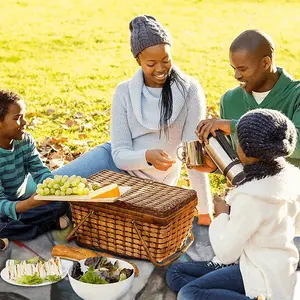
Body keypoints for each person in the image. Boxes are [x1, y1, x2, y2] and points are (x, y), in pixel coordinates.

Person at [51, 15, 213, 225]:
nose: (161, 68)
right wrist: (146, 156)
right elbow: (119, 155)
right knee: (49, 188)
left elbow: (193, 156)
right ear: (138, 60)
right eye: (151, 63)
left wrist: (204, 211)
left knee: (69, 206)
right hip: (113, 162)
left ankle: (57, 217)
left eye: (166, 59)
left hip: (148, 186)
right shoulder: (124, 92)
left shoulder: (190, 90)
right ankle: (12, 213)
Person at [166, 108, 300, 300]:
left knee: (189, 293)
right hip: (273, 267)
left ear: (244, 150)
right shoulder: (291, 178)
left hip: (260, 277)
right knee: (176, 273)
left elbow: (226, 252)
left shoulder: (251, 197)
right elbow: (293, 226)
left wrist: (222, 215)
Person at [195, 29, 300, 172]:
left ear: (266, 63)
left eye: (242, 69)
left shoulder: (296, 95)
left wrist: (235, 127)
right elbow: (238, 162)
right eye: (234, 68)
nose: (236, 75)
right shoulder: (230, 100)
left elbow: (296, 144)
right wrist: (215, 167)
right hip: (250, 190)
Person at [0, 90, 70, 241]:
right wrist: (28, 205)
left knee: (63, 203)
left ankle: (15, 231)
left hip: (21, 201)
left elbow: (40, 172)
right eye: (17, 118)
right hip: (4, 207)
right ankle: (46, 225)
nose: (25, 122)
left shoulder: (25, 141)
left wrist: (53, 189)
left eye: (24, 116)